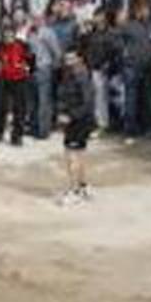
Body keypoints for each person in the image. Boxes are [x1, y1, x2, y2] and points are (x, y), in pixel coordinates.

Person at [57, 51, 96, 206]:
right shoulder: (71, 74)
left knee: (71, 155)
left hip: (78, 121)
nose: (68, 61)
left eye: (72, 58)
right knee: (78, 155)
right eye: (66, 58)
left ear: (80, 59)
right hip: (76, 119)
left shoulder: (81, 77)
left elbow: (87, 102)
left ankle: (74, 191)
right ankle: (82, 187)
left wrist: (70, 116)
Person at [0, 24, 32, 146]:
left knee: (19, 109)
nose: (8, 39)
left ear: (14, 36)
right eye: (5, 36)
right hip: (3, 79)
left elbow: (31, 60)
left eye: (10, 36)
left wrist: (27, 69)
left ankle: (17, 137)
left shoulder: (22, 45)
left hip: (19, 80)